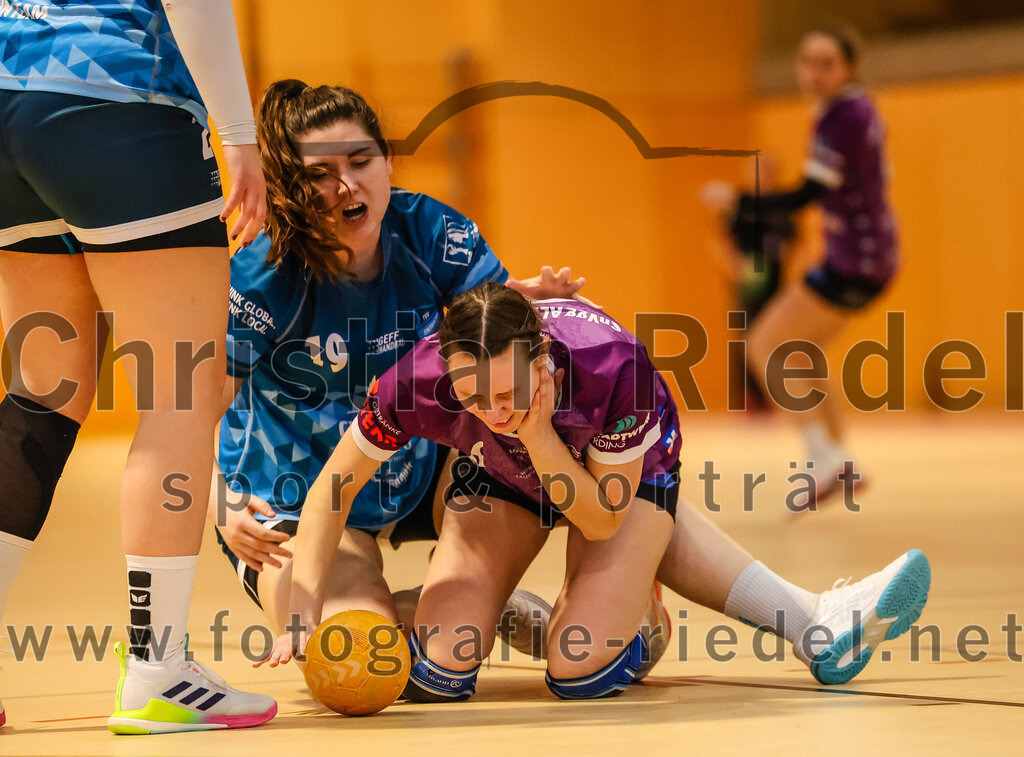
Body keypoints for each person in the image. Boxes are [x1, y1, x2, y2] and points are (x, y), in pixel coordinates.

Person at [261, 284, 931, 699]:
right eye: (475, 396)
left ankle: (652, 605)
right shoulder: (415, 379)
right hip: (501, 478)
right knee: (438, 670)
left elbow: (602, 516)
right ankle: (519, 604)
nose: (494, 409)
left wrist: (543, 438)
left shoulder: (613, 367)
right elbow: (333, 487)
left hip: (612, 483)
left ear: (544, 357)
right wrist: (302, 602)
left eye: (510, 393)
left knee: (577, 670)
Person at [209, 80, 590, 659]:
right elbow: (193, 407)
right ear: (293, 185)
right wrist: (221, 503)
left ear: (388, 161)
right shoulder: (265, 274)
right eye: (319, 173)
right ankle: (429, 609)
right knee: (358, 654)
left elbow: (490, 335)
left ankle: (481, 597)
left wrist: (523, 304)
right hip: (295, 494)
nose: (345, 185)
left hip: (417, 471)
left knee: (571, 438)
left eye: (361, 161)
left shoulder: (431, 232)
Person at [0, 0, 275, 734]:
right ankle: (158, 670)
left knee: (41, 392)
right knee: (183, 387)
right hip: (115, 96)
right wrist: (241, 136)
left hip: (4, 95)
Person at [729, 27, 898, 505]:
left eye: (827, 63)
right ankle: (840, 460)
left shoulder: (843, 116)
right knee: (802, 350)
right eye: (808, 62)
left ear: (849, 69)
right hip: (867, 259)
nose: (814, 73)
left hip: (856, 260)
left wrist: (746, 201)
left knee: (762, 345)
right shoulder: (851, 110)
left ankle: (822, 460)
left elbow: (809, 193)